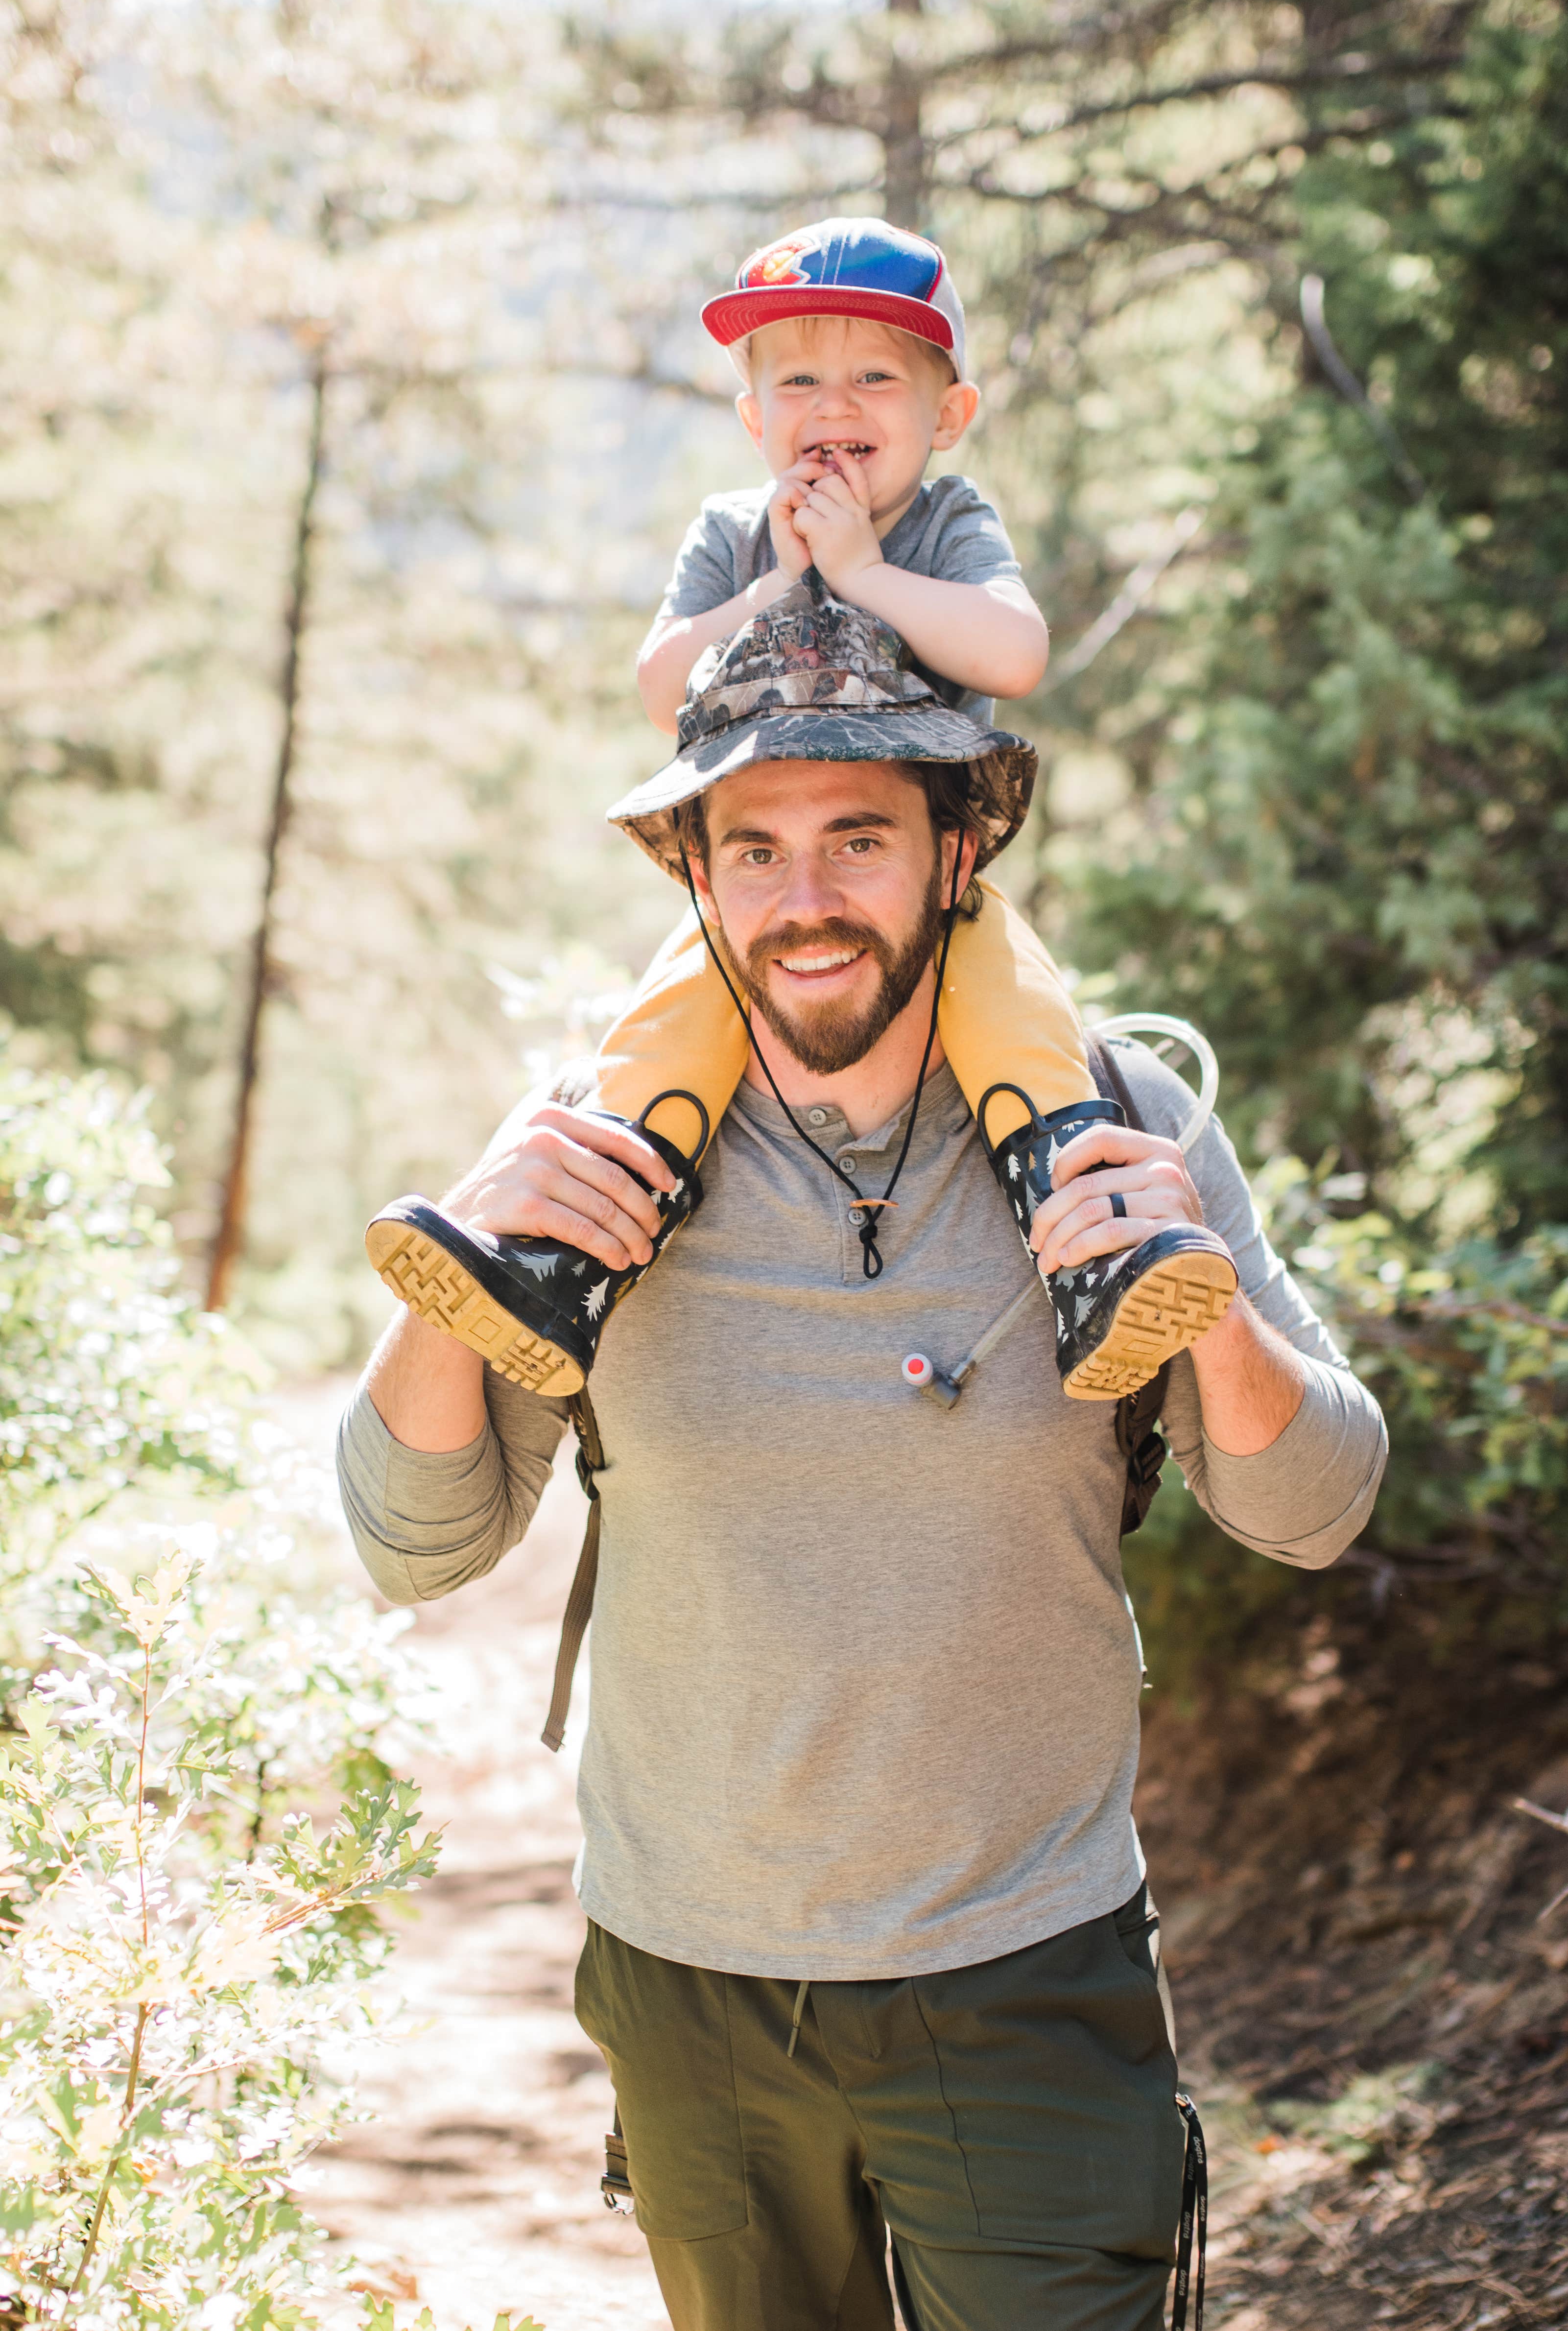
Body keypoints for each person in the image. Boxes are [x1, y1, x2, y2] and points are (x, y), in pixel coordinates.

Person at [339, 606, 1389, 2331]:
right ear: (695, 875)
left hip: (1029, 1966)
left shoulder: (1114, 1118)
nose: (801, 895)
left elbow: (1314, 1508)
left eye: (855, 838)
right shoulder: (599, 1149)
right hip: (693, 1987)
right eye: (749, 846)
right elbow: (413, 1542)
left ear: (957, 852)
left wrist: (1201, 1305)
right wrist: (463, 1249)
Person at [364, 217, 1240, 1403]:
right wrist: (779, 582)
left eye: (876, 374)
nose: (835, 403)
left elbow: (1014, 651)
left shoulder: (942, 524)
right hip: (760, 881)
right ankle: (560, 1267)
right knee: (666, 1025)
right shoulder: (733, 535)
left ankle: (1093, 1262)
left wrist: (867, 572)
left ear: (945, 415)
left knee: (1017, 1025)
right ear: (754, 418)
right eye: (798, 380)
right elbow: (659, 684)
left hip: (925, 885)